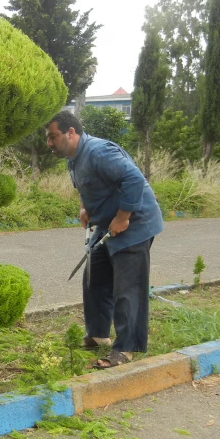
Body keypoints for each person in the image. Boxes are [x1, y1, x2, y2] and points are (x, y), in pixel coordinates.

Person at [45, 109, 163, 369]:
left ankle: (127, 347)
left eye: (53, 137)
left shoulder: (99, 152)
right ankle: (98, 334)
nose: (49, 143)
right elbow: (87, 187)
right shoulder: (73, 159)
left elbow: (133, 178)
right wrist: (84, 208)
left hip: (134, 222)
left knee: (127, 287)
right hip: (105, 224)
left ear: (71, 132)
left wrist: (123, 217)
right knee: (95, 277)